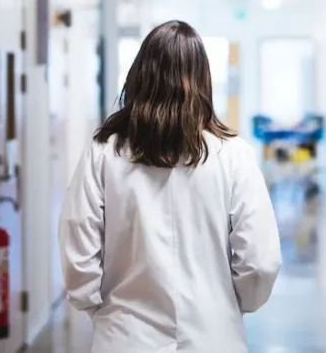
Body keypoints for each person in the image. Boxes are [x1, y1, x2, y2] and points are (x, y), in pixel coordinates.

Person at [59, 20, 282, 353]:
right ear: (203, 79)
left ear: (139, 77)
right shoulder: (234, 155)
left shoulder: (104, 153)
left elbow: (78, 244)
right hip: (213, 337)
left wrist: (101, 310)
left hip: (125, 338)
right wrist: (231, 304)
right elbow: (260, 260)